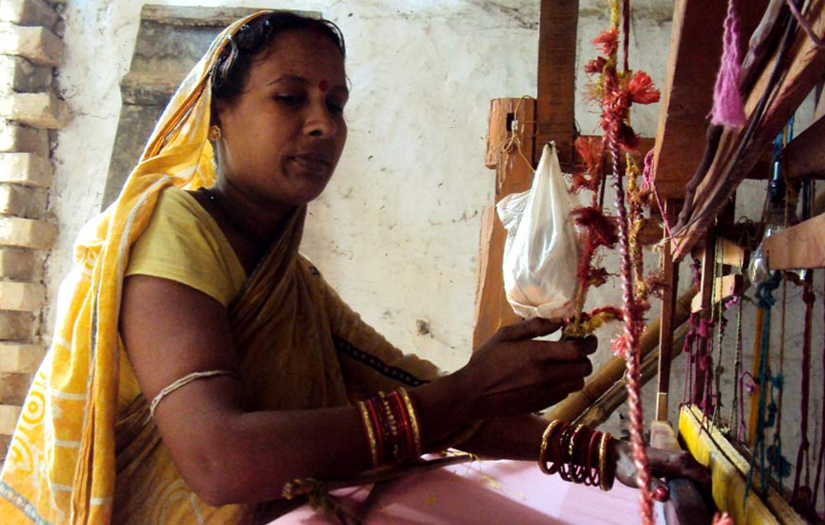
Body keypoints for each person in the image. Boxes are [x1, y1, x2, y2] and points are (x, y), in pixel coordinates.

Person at [0, 10, 709, 524]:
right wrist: (466, 391)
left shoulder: (288, 281)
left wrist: (598, 452)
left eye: (335, 102)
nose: (322, 123)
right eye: (289, 98)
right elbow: (219, 460)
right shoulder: (172, 233)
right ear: (215, 113)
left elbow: (414, 388)